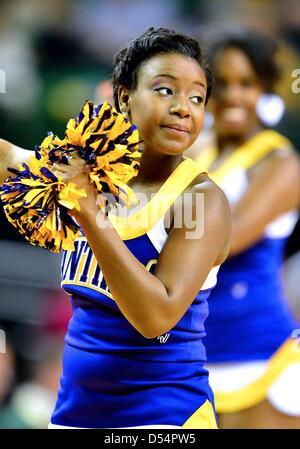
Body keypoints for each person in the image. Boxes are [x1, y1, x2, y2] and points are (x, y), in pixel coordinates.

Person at [0, 27, 231, 429]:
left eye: (197, 98)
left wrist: (91, 216)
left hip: (163, 418)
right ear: (124, 96)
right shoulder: (87, 173)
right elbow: (11, 156)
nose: (183, 108)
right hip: (75, 414)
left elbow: (156, 317)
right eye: (165, 90)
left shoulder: (200, 200)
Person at [192, 29, 300, 428]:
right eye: (222, 84)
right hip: (194, 357)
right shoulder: (198, 152)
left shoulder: (280, 163)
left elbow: (223, 241)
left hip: (260, 359)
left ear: (267, 90)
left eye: (247, 84)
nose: (234, 97)